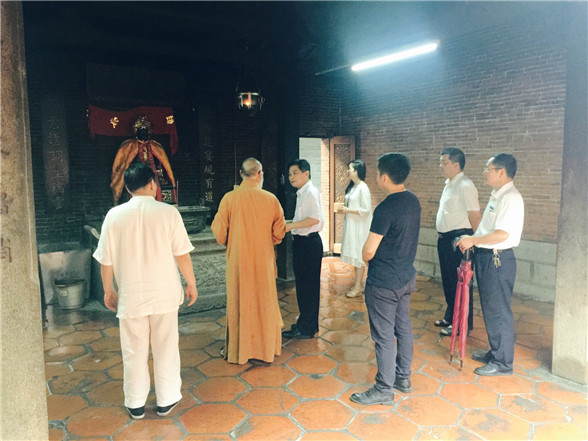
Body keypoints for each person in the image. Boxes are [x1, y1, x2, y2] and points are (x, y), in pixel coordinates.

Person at [93, 162, 197, 419]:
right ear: (153, 184)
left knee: (133, 350)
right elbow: (181, 254)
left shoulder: (114, 216)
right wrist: (191, 283)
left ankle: (135, 403)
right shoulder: (168, 213)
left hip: (131, 296)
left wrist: (108, 290)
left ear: (128, 188)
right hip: (164, 294)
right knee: (166, 347)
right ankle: (166, 400)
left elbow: (105, 261)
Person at [350, 153, 421, 405]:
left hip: (384, 283)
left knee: (383, 335)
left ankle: (383, 389)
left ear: (384, 177)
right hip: (405, 277)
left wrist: (364, 253)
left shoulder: (385, 208)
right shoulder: (413, 201)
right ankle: (403, 378)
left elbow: (368, 251)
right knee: (403, 327)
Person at [211, 158, 287, 364]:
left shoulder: (229, 198)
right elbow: (279, 232)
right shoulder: (270, 199)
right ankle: (265, 349)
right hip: (263, 261)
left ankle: (239, 350)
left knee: (239, 302)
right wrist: (266, 241)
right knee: (264, 303)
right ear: (259, 174)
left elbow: (219, 233)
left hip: (238, 261)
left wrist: (234, 241)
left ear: (241, 174)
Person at [457, 153, 524, 376]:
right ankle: (496, 352)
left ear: (501, 172)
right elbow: (488, 229)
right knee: (491, 308)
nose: (485, 172)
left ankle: (503, 363)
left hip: (498, 260)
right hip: (488, 257)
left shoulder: (511, 198)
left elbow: (502, 234)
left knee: (498, 311)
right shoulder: (498, 195)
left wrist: (473, 240)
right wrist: (472, 239)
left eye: (489, 169)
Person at [435, 148, 482, 336]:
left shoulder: (465, 185)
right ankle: (450, 317)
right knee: (448, 282)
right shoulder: (450, 184)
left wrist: (476, 242)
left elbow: (475, 215)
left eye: (444, 162)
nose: (440, 166)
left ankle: (462, 325)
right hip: (445, 240)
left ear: (456, 165)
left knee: (460, 284)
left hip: (459, 240)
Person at [282, 159, 324, 340]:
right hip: (304, 243)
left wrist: (290, 226)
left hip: (308, 244)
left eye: (295, 173)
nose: (291, 177)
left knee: (307, 287)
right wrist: (289, 223)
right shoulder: (303, 192)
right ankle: (307, 323)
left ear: (306, 173)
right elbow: (304, 218)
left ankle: (306, 328)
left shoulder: (310, 193)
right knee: (305, 286)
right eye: (289, 174)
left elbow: (314, 219)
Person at [111, 116, 177, 204]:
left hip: (152, 174)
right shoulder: (129, 145)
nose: (143, 133)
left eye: (145, 131)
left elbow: (165, 164)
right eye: (141, 131)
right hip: (136, 174)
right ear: (136, 132)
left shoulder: (155, 145)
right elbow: (119, 164)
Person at [336, 159, 372, 298]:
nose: (348, 171)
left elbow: (366, 210)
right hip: (353, 225)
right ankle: (358, 285)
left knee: (359, 257)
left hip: (360, 227)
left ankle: (357, 287)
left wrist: (348, 210)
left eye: (350, 169)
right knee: (356, 257)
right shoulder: (353, 186)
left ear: (357, 171)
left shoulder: (363, 187)